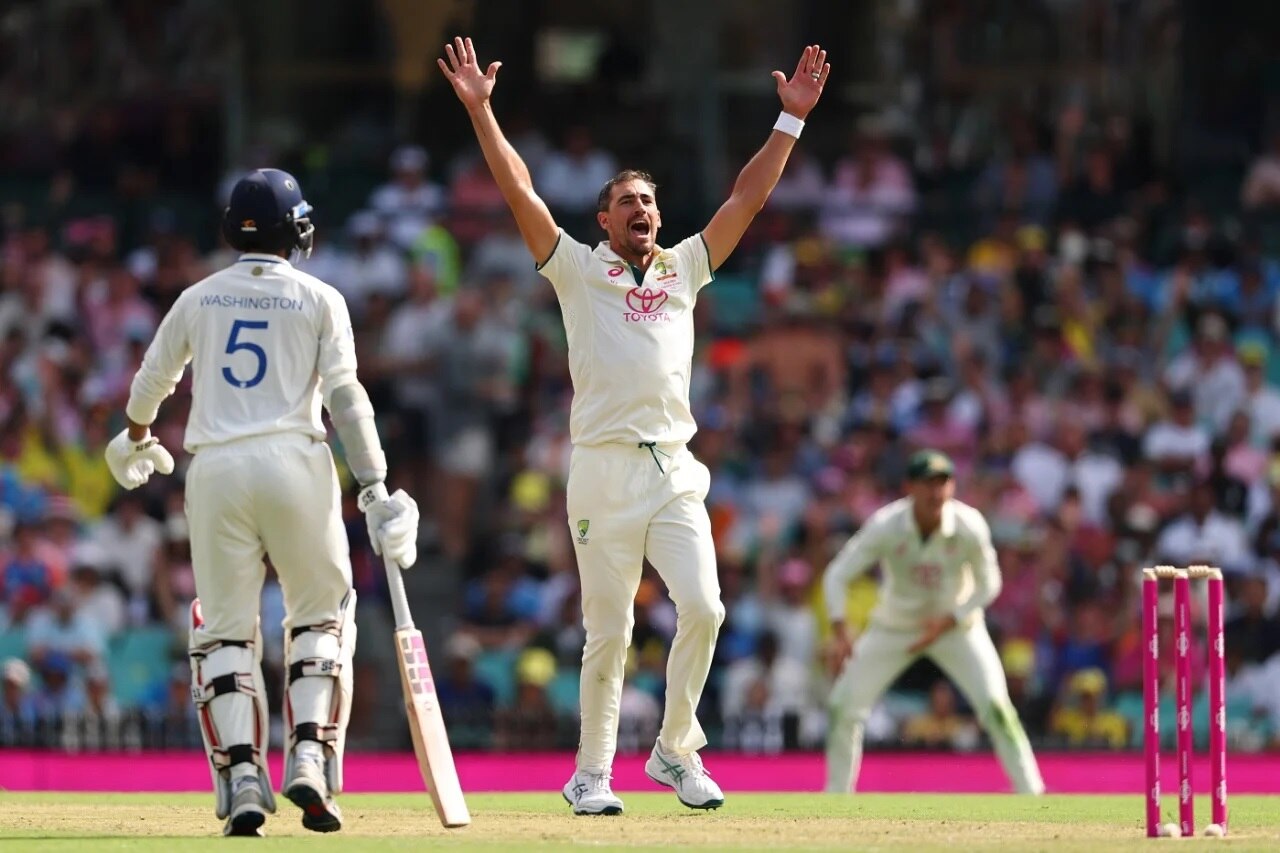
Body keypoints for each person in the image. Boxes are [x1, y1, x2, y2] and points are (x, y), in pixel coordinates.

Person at [438, 35, 830, 815]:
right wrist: (483, 112)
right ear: (604, 220)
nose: (643, 212)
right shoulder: (579, 270)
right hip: (602, 468)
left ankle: (675, 750)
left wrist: (788, 123)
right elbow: (520, 194)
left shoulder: (686, 265)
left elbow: (745, 201)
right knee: (608, 631)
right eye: (628, 204)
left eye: (649, 202)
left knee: (708, 608)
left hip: (674, 467)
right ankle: (591, 773)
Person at [104, 169, 420, 836]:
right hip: (295, 461)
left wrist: (134, 436)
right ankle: (307, 749)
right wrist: (375, 483)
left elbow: (151, 381)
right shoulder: (320, 296)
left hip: (215, 467)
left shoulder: (199, 296)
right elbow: (346, 396)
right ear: (299, 229)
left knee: (222, 627)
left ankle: (243, 772)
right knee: (321, 615)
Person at [821, 450, 1044, 795]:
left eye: (943, 483)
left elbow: (990, 583)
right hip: (895, 626)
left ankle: (1034, 796)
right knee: (843, 705)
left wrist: (951, 619)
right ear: (909, 486)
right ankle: (836, 798)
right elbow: (837, 574)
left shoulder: (969, 525)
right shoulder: (886, 525)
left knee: (997, 708)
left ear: (952, 486)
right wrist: (840, 629)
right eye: (927, 483)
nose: (935, 492)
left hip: (957, 625)